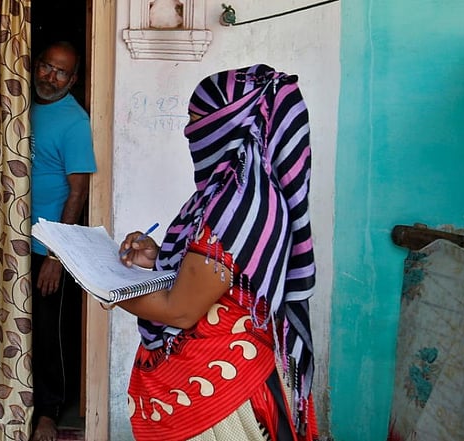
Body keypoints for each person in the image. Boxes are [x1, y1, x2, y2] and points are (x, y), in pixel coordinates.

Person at [116, 64, 320, 441]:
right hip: (226, 374)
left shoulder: (238, 203)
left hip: (219, 393)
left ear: (226, 123)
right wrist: (159, 256)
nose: (188, 131)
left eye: (196, 120)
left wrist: (107, 288)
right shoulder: (235, 193)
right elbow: (225, 276)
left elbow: (180, 309)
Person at [29, 41, 96, 441]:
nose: (49, 77)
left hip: (45, 245)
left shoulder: (75, 122)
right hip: (4, 240)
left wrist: (57, 254)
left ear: (73, 80)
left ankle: (49, 413)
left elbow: (79, 192)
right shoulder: (14, 99)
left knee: (49, 331)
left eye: (60, 73)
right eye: (46, 67)